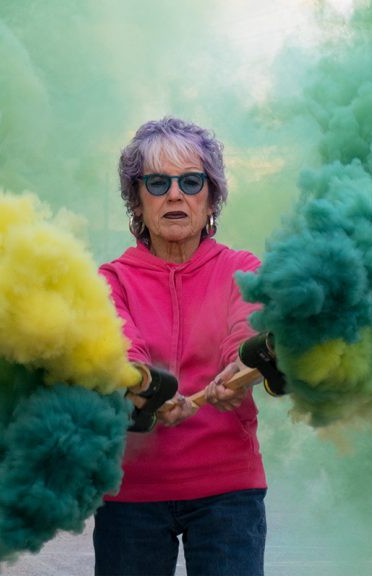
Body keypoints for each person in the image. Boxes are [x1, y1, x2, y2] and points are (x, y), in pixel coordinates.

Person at [94, 117, 267, 575]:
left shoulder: (242, 268)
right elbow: (117, 343)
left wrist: (240, 367)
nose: (175, 194)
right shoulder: (111, 280)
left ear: (211, 196)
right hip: (130, 496)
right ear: (137, 198)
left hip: (228, 493)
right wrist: (145, 388)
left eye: (191, 181)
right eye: (158, 182)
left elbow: (248, 330)